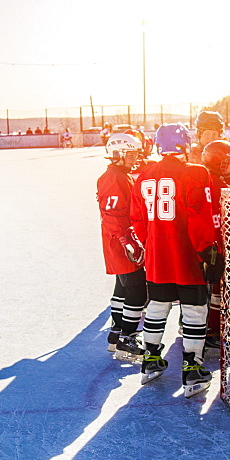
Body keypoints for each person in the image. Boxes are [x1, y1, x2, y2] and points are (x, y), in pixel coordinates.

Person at [130, 122, 221, 397]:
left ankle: (151, 359)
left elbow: (138, 219)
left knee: (157, 305)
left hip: (158, 255)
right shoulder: (196, 172)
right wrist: (207, 249)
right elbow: (199, 216)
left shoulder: (143, 176)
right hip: (186, 253)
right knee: (194, 308)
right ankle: (192, 367)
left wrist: (152, 243)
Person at [97, 133, 147, 362]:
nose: (135, 157)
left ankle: (115, 336)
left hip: (120, 239)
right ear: (118, 154)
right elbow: (113, 215)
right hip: (121, 240)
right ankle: (128, 338)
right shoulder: (113, 178)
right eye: (131, 153)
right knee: (137, 289)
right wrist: (127, 241)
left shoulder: (120, 175)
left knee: (123, 286)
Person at [200, 139, 230, 355]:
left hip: (213, 245)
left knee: (217, 291)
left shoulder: (209, 180)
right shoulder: (216, 184)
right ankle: (213, 331)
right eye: (226, 161)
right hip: (217, 246)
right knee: (218, 291)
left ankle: (212, 329)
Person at [187, 110, 230, 186]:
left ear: (220, 136)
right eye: (206, 134)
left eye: (214, 134)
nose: (210, 138)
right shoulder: (190, 156)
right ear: (199, 135)